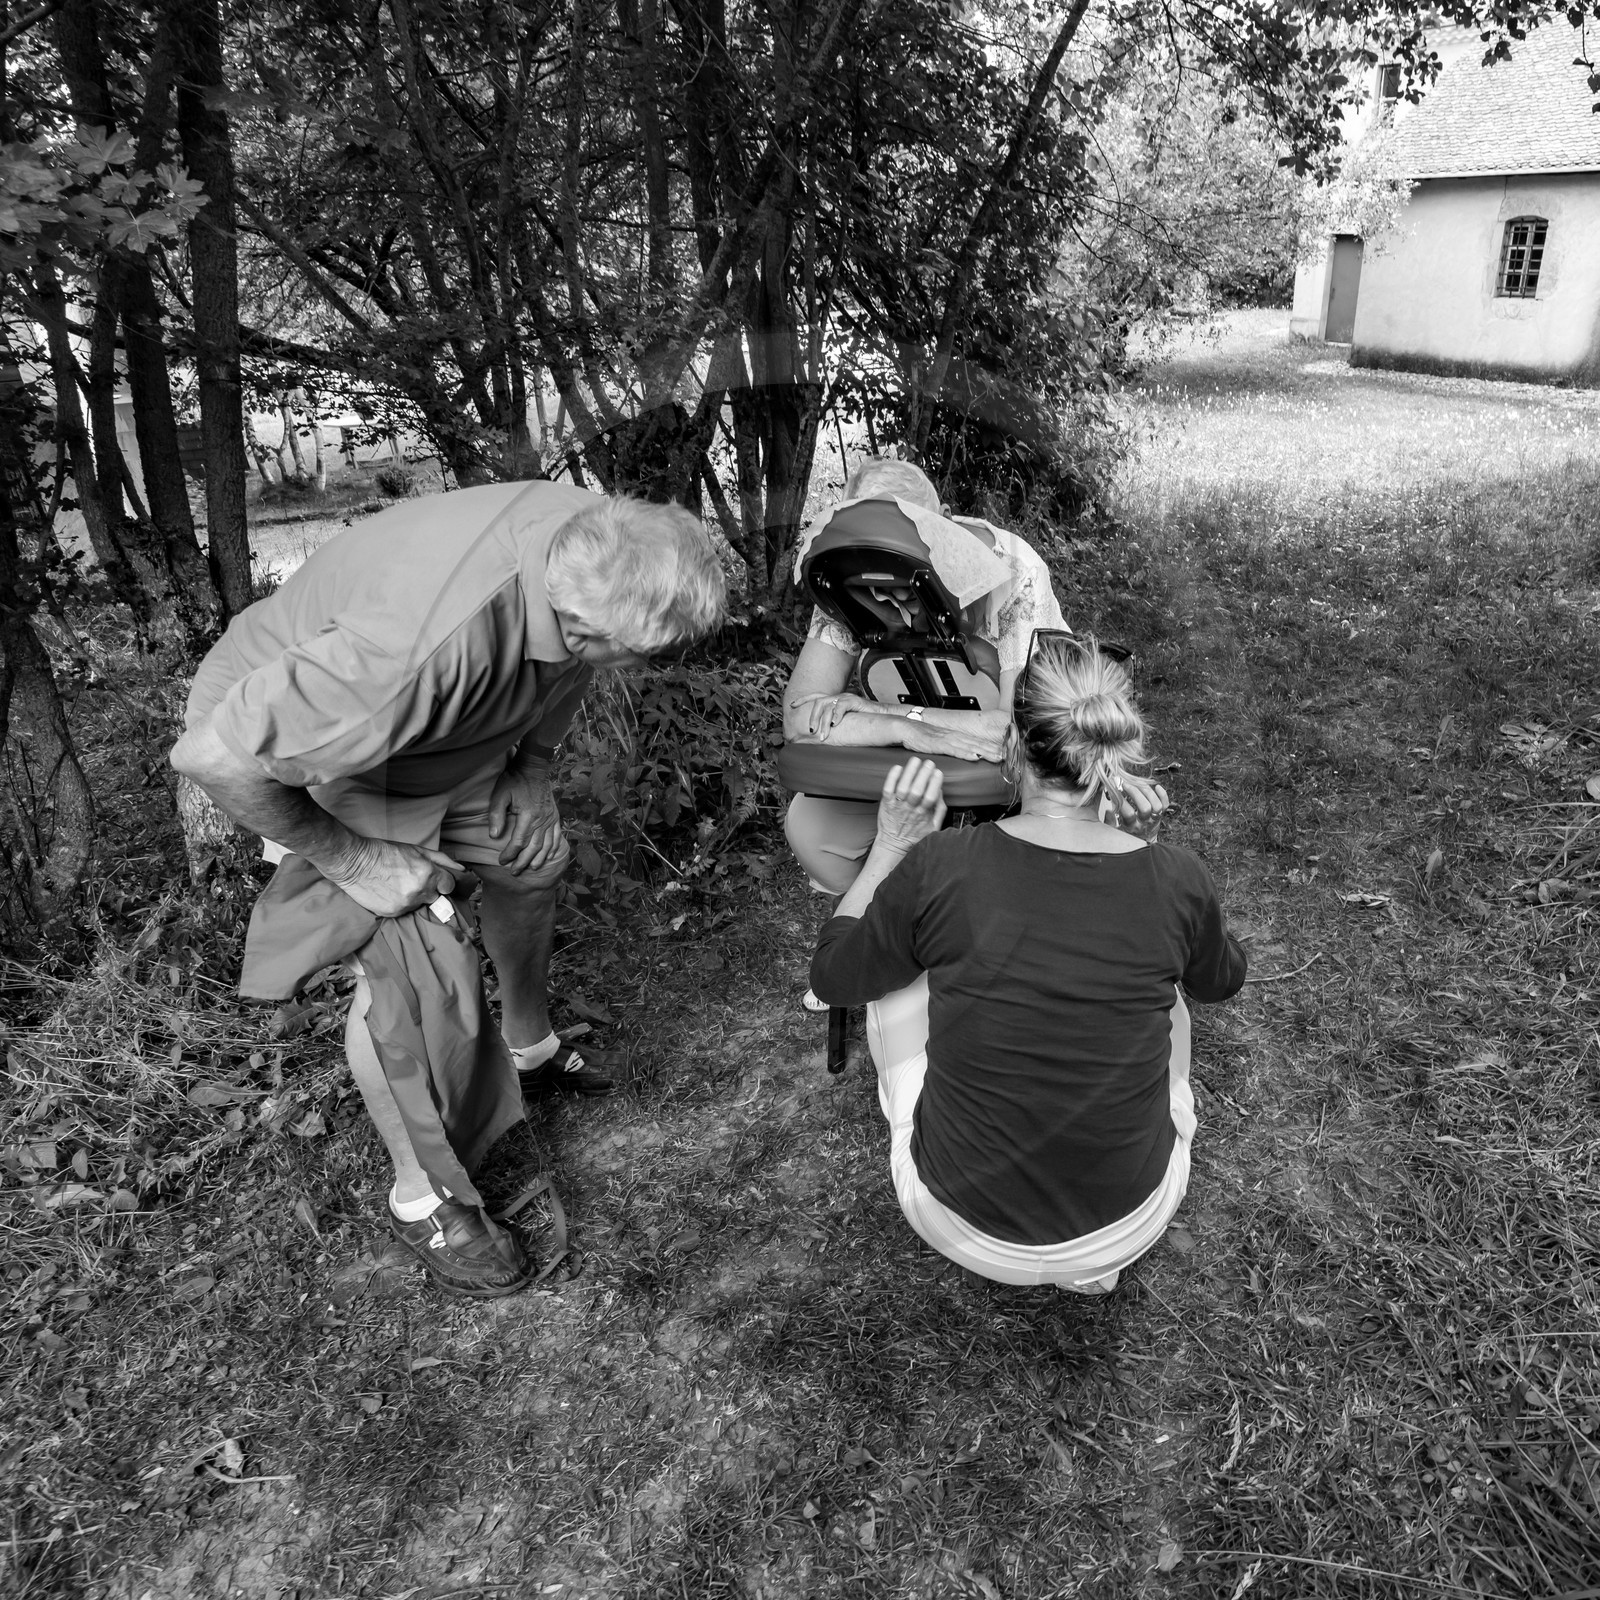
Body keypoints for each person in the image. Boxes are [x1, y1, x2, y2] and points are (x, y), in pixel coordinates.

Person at [171, 482, 725, 1299]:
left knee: (532, 863)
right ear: (577, 624)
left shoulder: (589, 537)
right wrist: (358, 861)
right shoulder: (411, 649)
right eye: (637, 654)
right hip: (319, 749)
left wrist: (531, 772)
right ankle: (422, 1197)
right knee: (409, 962)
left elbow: (564, 666)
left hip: (443, 734)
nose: (642, 668)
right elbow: (214, 757)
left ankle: (526, 1047)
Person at [808, 637, 1247, 1292]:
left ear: (1014, 747)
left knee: (897, 970)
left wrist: (892, 845)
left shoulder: (942, 863)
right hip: (1130, 1222)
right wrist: (1148, 859)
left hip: (953, 1218)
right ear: (1116, 751)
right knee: (1173, 994)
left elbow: (834, 977)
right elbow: (1222, 979)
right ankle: (1090, 1270)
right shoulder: (1175, 877)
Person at [781, 458, 1165, 898]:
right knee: (813, 832)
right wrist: (904, 731)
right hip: (917, 758)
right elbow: (801, 718)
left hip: (1030, 770)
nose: (889, 595)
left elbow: (1013, 730)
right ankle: (893, 915)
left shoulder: (1013, 569)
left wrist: (882, 713)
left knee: (1055, 872)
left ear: (945, 521)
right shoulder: (855, 574)